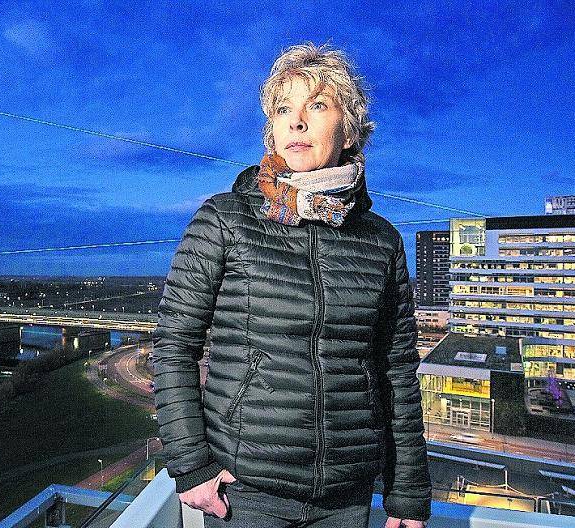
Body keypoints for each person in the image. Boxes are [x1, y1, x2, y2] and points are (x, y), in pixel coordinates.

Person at [151, 42, 431, 528]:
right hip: (246, 492)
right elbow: (174, 346)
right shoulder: (225, 219)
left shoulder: (381, 241)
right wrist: (191, 465)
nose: (295, 123)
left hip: (347, 497)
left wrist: (407, 489)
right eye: (284, 109)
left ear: (348, 131)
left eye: (317, 106)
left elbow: (395, 372)